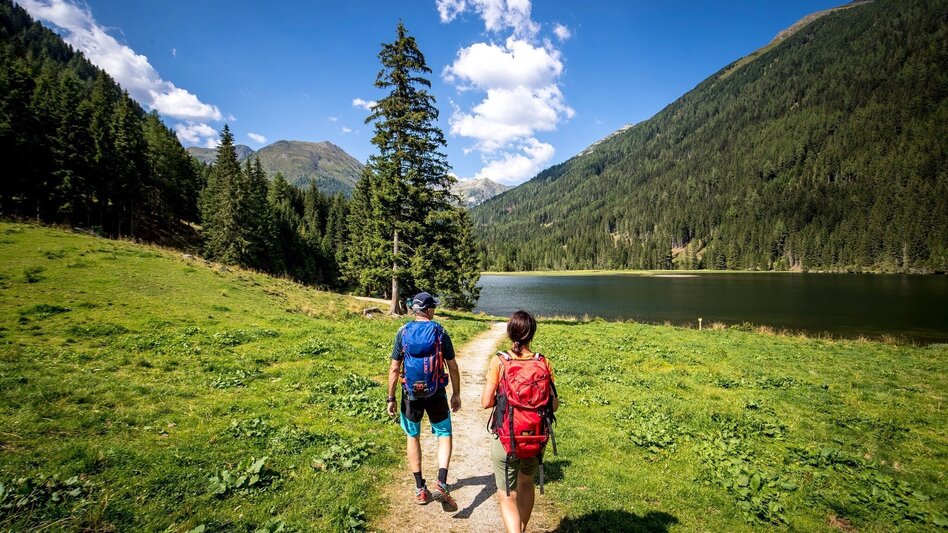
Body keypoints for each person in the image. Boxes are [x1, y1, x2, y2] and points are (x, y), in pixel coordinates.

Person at [481, 310, 558, 533]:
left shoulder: (500, 361)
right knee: (526, 483)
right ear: (531, 334)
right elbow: (553, 405)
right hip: (535, 438)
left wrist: (505, 398)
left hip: (506, 438)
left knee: (507, 495)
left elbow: (486, 402)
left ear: (509, 333)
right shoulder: (543, 362)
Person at [387, 291, 461, 511]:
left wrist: (390, 398)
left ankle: (420, 488)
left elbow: (394, 368)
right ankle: (442, 482)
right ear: (428, 310)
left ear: (415, 310)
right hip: (436, 391)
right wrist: (456, 394)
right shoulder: (439, 331)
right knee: (444, 434)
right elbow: (453, 366)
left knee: (413, 435)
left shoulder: (403, 332)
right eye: (434, 308)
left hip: (410, 394)